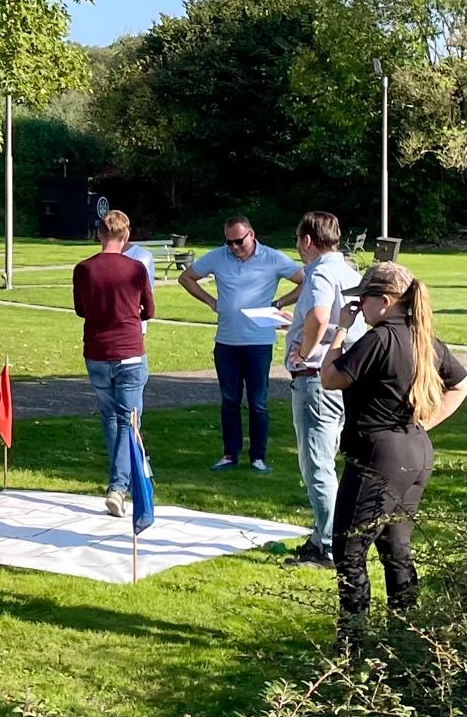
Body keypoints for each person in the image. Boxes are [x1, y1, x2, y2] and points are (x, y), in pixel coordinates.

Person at [318, 262, 465, 640]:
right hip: (416, 452)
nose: (357, 307)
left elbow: (330, 378)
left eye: (362, 300)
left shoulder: (379, 338)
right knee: (395, 548)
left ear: (384, 301)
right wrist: (422, 425)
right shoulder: (424, 338)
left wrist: (339, 330)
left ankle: (351, 644)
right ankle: (407, 636)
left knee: (349, 550)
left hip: (378, 457)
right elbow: (460, 385)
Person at [178, 214, 302, 472]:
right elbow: (186, 278)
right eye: (229, 242)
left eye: (238, 241)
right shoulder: (218, 256)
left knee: (258, 403)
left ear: (251, 235)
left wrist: (279, 303)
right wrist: (211, 301)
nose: (233, 247)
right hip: (226, 342)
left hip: (258, 342)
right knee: (229, 401)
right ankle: (229, 454)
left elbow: (305, 280)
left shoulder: (273, 258)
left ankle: (258, 457)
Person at [282, 211, 363, 569]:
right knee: (331, 461)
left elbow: (317, 315)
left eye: (299, 241)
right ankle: (325, 534)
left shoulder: (320, 271)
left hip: (317, 375)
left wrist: (304, 350)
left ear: (308, 241)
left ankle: (329, 546)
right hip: (348, 375)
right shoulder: (350, 270)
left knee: (317, 464)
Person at [72, 210, 156, 515]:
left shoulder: (84, 268)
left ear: (99, 235)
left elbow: (81, 308)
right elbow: (149, 310)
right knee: (129, 420)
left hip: (96, 351)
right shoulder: (135, 268)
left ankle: (122, 479)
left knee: (111, 417)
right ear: (127, 236)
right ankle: (120, 486)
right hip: (130, 351)